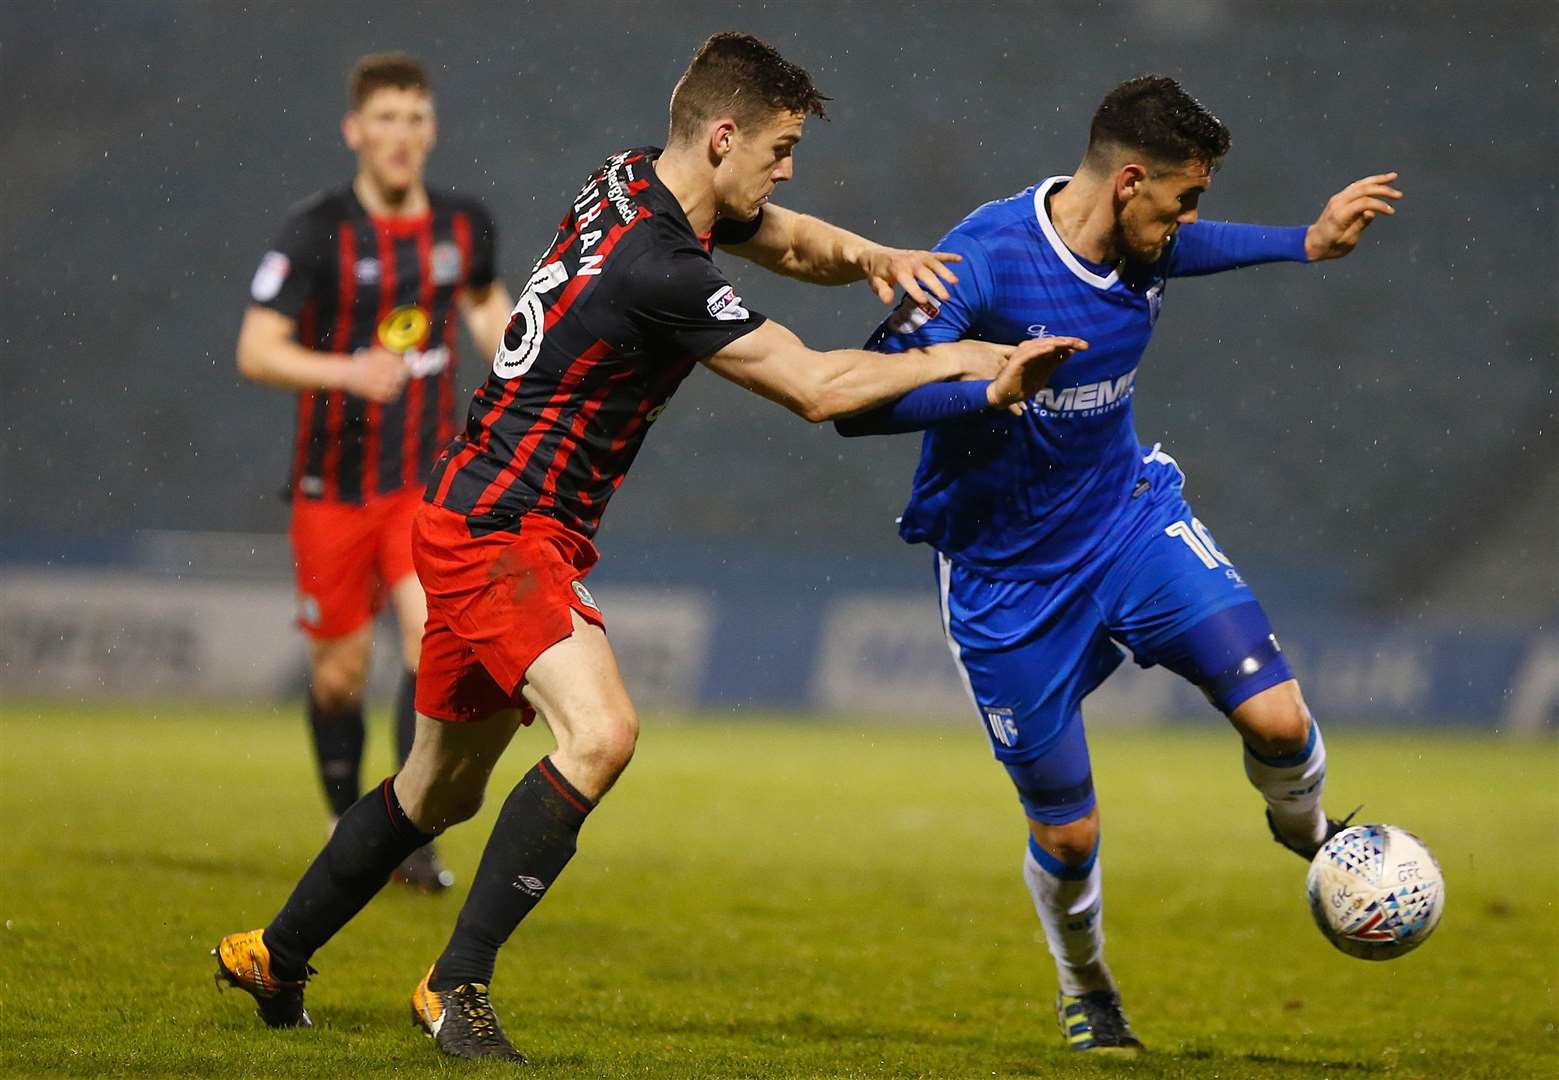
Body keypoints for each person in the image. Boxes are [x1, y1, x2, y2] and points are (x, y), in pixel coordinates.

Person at [214, 32, 1065, 1059]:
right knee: (601, 735)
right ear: (720, 137)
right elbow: (814, 388)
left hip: (473, 506)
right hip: (502, 531)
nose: (786, 165)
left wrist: (874, 257)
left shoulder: (626, 179)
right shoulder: (656, 267)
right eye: (778, 144)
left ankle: (273, 952)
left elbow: (786, 238)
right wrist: (967, 358)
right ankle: (455, 985)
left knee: (440, 787)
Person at [837, 74, 1402, 1054]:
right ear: (1129, 181)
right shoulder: (983, 261)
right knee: (1068, 837)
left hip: (1128, 525)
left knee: (1276, 717)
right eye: (1182, 199)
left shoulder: (1145, 243)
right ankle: (1086, 984)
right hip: (1003, 577)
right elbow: (854, 400)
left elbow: (1193, 249)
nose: (1189, 221)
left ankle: (1312, 839)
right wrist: (986, 388)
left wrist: (1302, 244)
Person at [236, 52, 514, 892]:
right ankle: (339, 816)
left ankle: (406, 829)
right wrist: (347, 372)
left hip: (422, 487)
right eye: (384, 119)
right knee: (340, 675)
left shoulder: (463, 227)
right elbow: (256, 348)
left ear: (432, 131)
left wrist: (526, 369)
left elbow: (485, 311)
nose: (401, 136)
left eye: (415, 118)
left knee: (433, 640)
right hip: (333, 488)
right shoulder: (317, 230)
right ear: (355, 131)